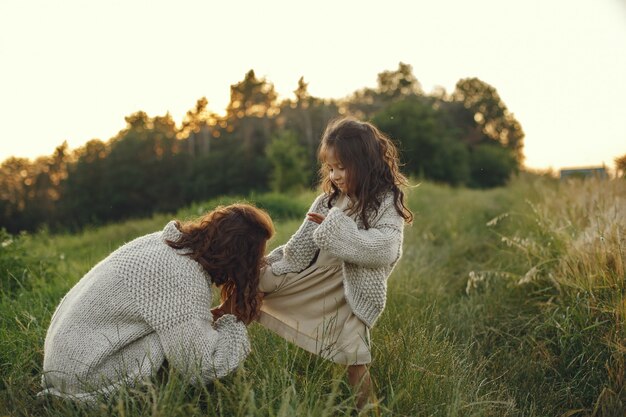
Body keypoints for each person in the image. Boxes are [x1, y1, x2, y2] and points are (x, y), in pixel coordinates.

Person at [40, 204, 274, 402]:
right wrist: (233, 321)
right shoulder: (182, 276)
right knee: (175, 344)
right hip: (83, 376)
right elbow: (202, 368)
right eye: (255, 259)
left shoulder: (165, 245)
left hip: (63, 363)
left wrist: (216, 316)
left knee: (176, 334)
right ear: (238, 259)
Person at [257, 117, 412, 408]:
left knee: (355, 360)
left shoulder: (384, 202)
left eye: (342, 167)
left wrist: (338, 229)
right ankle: (213, 340)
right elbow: (298, 251)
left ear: (365, 163)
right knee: (252, 287)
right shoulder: (326, 202)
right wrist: (271, 264)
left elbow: (386, 249)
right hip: (315, 281)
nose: (335, 175)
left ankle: (368, 412)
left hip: (350, 293)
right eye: (330, 168)